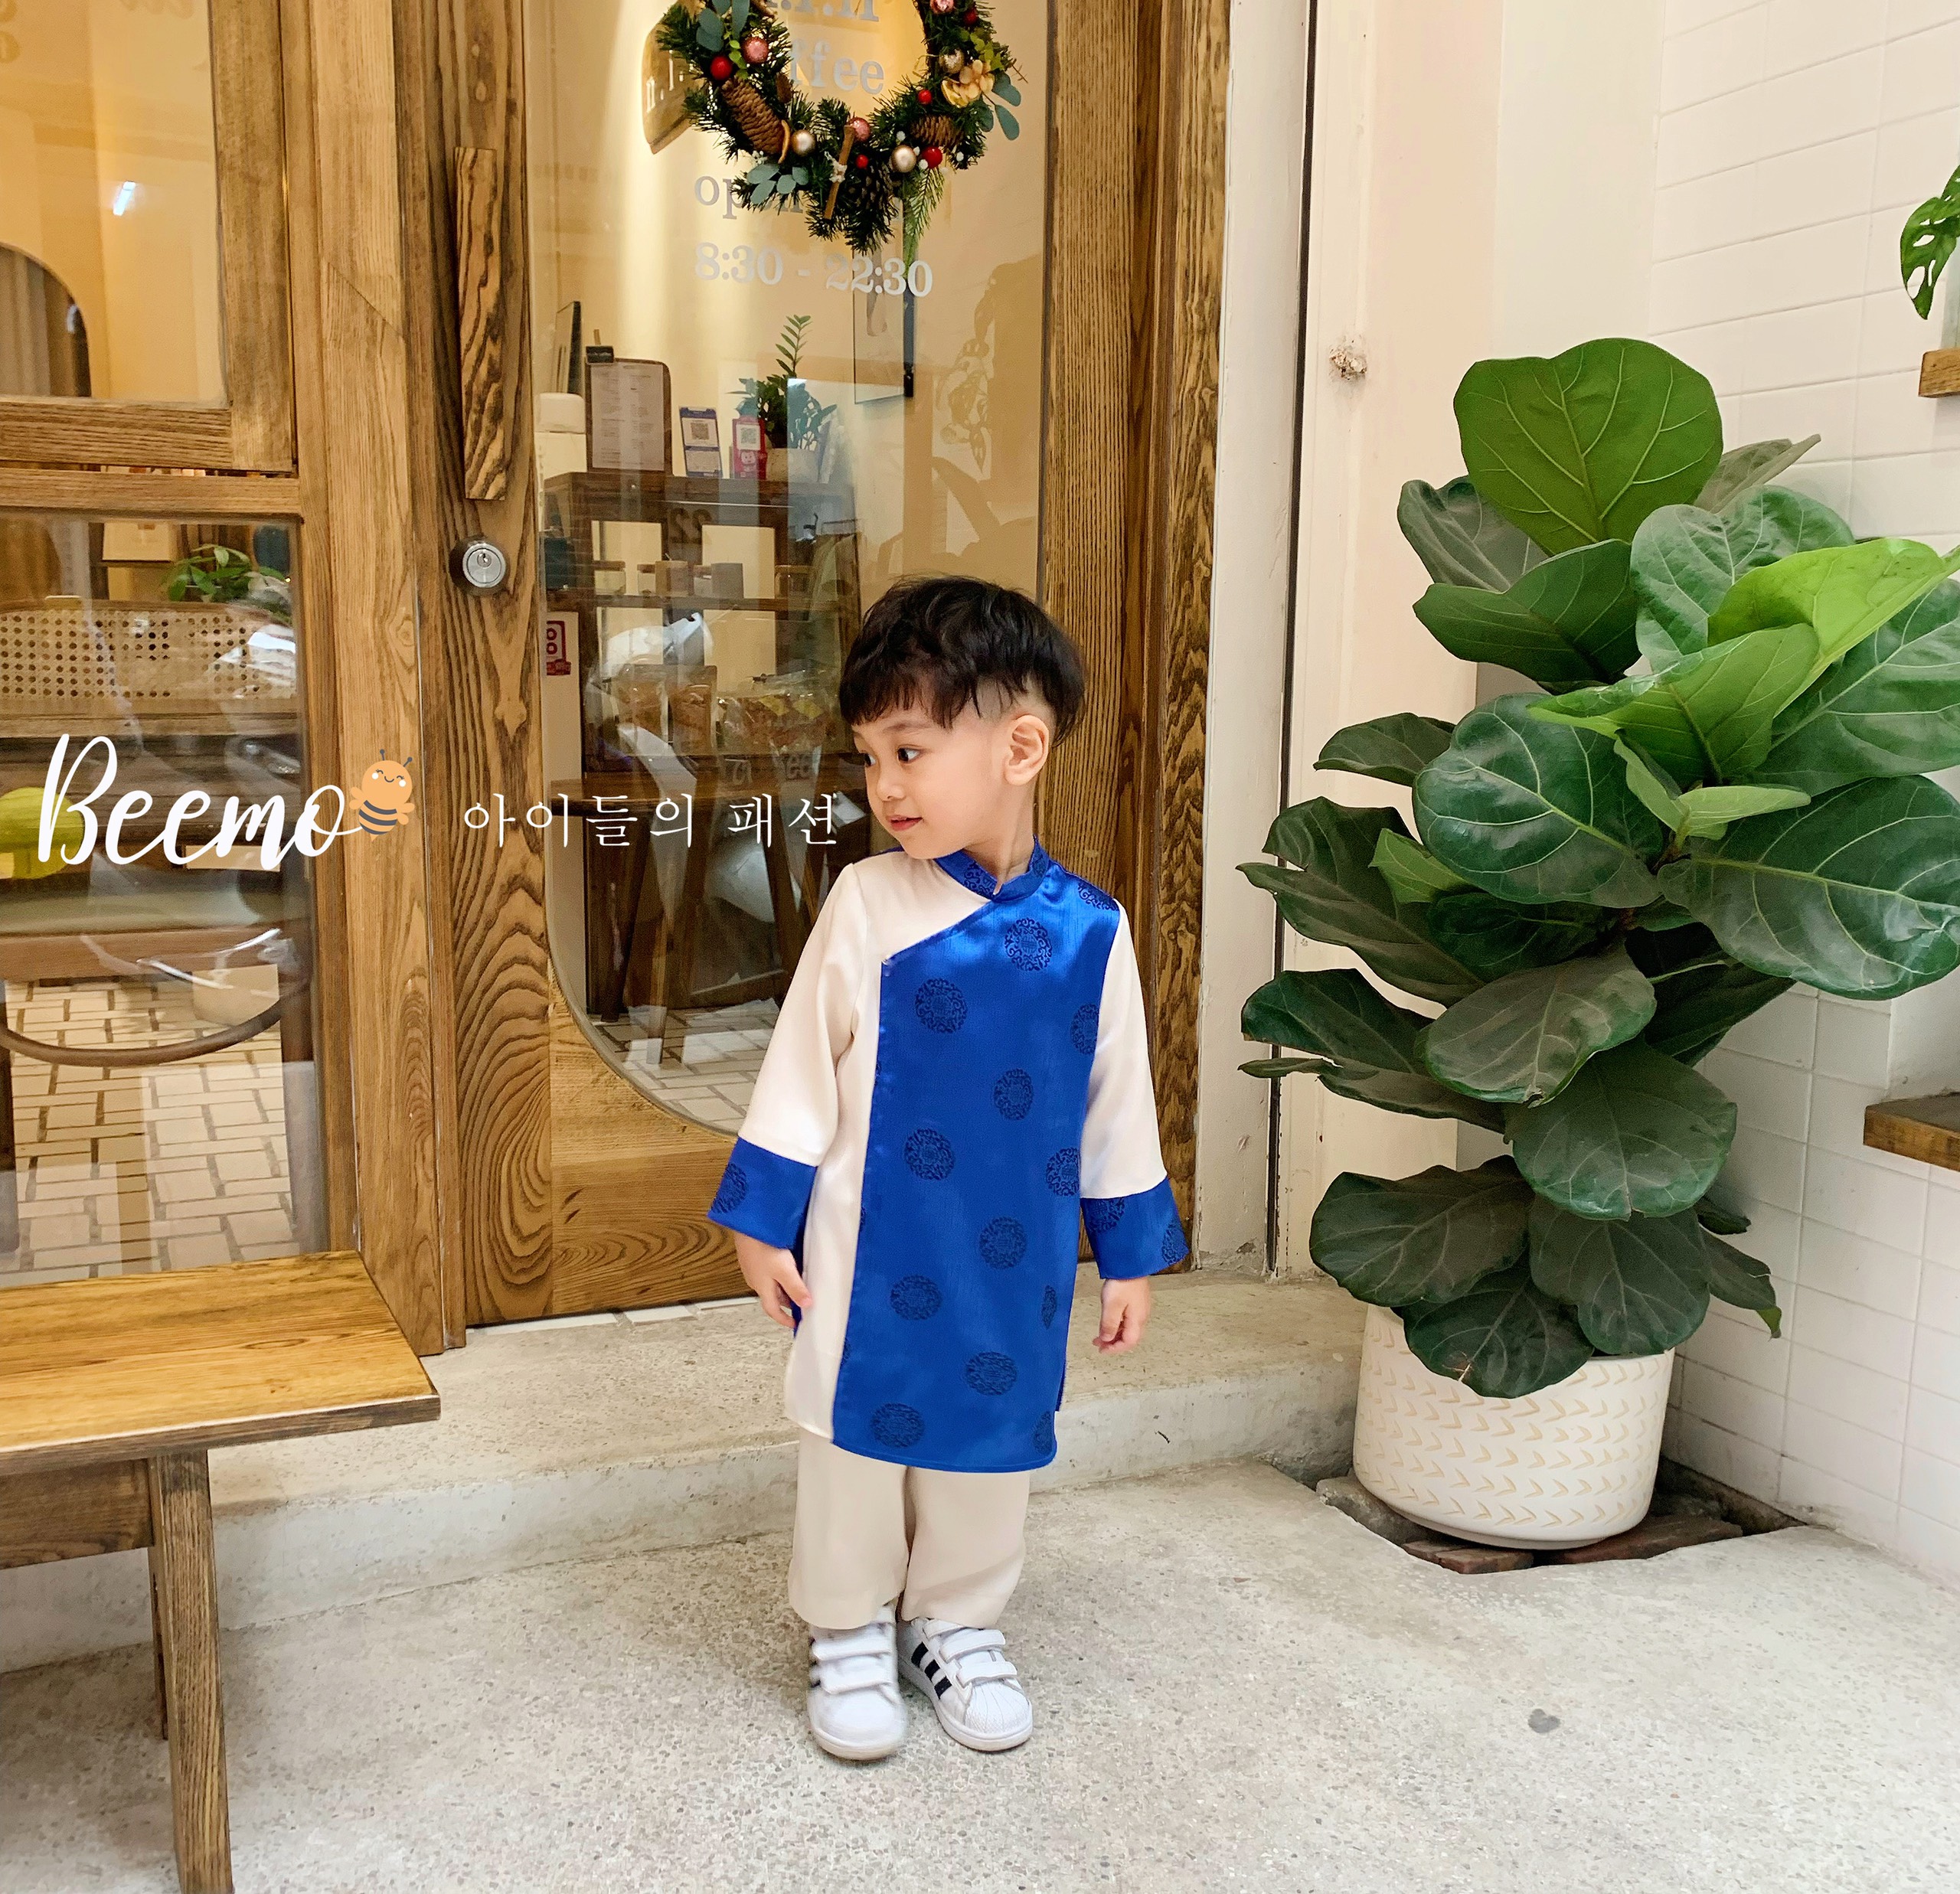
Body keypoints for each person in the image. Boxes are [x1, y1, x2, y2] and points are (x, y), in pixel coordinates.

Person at [707, 574, 1187, 1762]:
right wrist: (762, 1220)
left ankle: (959, 1619)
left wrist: (1129, 1255)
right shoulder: (867, 904)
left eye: (911, 751)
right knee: (854, 1441)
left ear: (1020, 747)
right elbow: (799, 1070)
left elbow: (1117, 1100)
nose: (886, 786)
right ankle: (847, 1623)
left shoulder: (1092, 930)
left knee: (990, 1440)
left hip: (1014, 1257)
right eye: (871, 756)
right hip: (866, 1247)